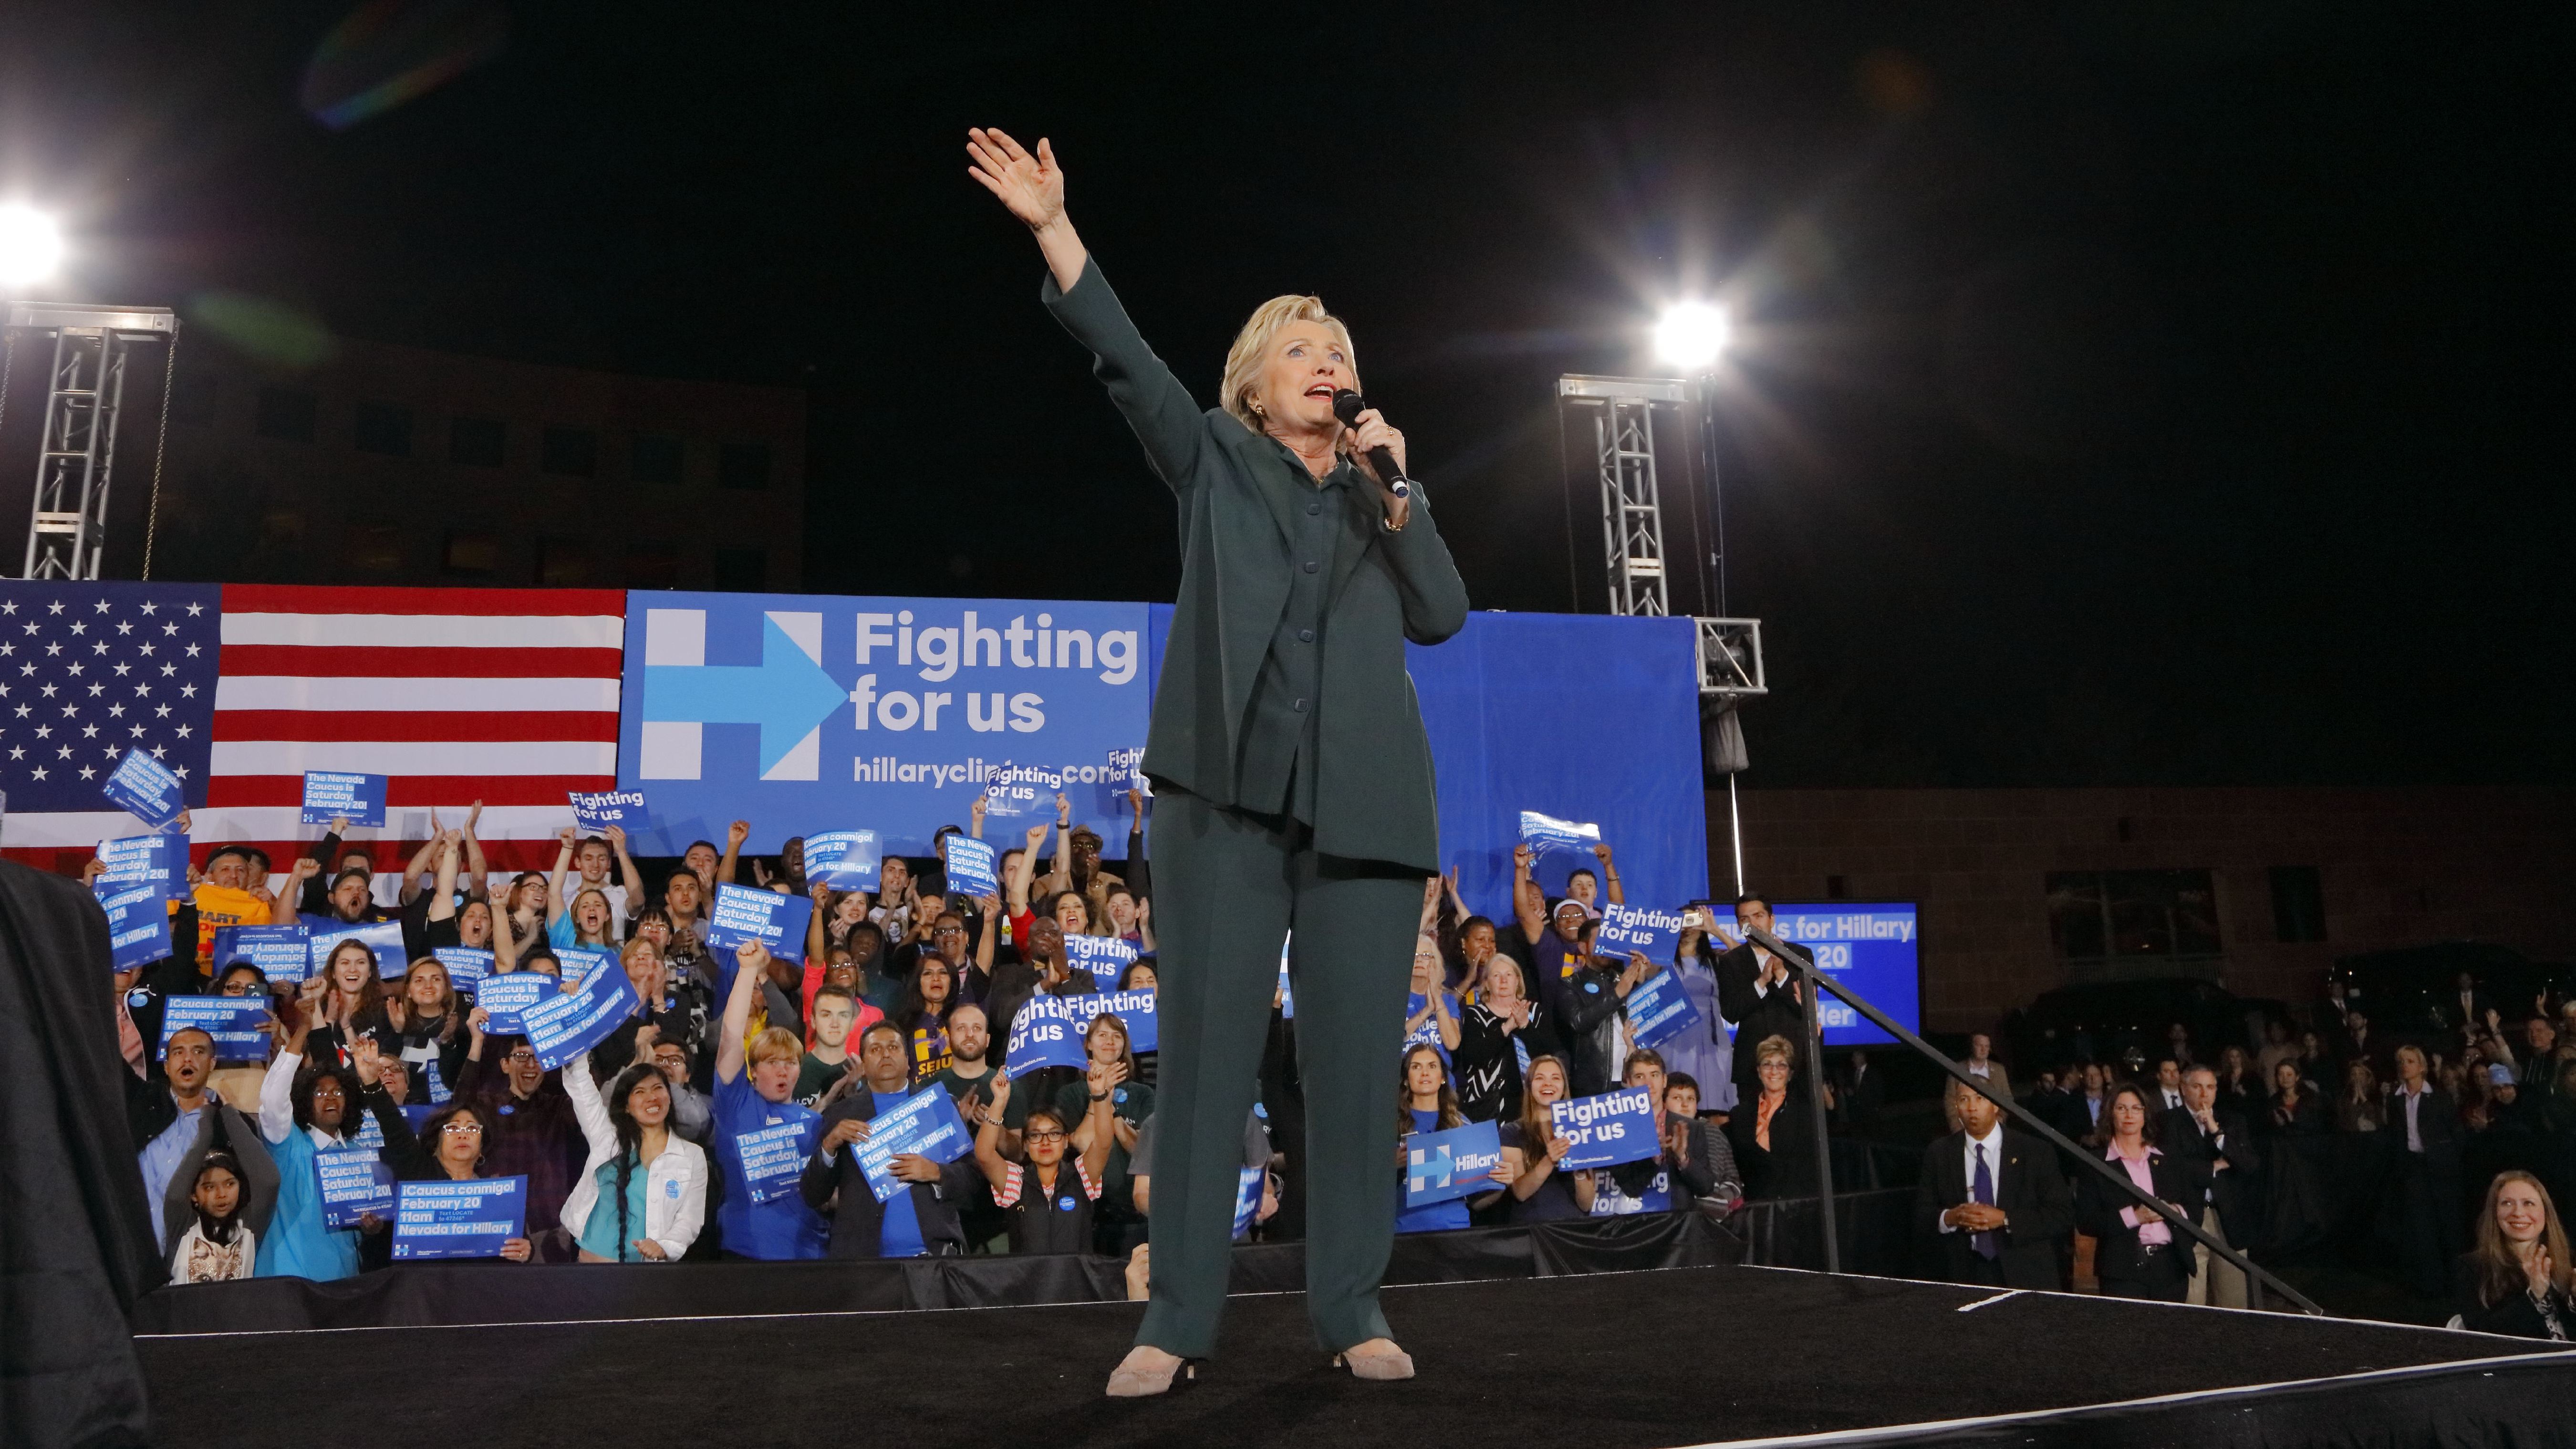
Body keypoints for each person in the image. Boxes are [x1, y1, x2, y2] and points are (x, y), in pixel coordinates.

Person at [973, 124, 1470, 1393]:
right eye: (1302, 347)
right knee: (1201, 1061)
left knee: (1353, 1073)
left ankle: (1351, 1307)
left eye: (1339, 349)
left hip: (1367, 817)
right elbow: (1127, 362)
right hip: (1222, 807)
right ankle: (1175, 1319)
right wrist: (1055, 229)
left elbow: (1442, 613)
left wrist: (1398, 490)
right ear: (1255, 385)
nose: (1328, 361)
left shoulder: (1379, 495)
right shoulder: (1212, 458)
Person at [803, 1020, 984, 1259]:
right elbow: (813, 1195)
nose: (886, 1054)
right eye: (876, 1049)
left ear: (908, 1060)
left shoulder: (939, 1105)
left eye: (894, 1047)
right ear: (863, 1065)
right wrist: (829, 1146)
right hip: (864, 1263)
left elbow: (974, 1180)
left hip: (934, 1256)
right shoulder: (839, 1115)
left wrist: (936, 1172)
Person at [254, 1016, 408, 1281]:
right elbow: (273, 1099)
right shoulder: (288, 1144)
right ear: (304, 1101)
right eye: (319, 1093)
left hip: (344, 1281)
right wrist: (303, 1028)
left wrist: (372, 1227)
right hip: (287, 1281)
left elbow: (367, 1226)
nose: (330, 1099)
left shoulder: (361, 1154)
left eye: (338, 1093)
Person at [709, 942, 827, 1260]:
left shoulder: (815, 1122)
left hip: (809, 1254)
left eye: (790, 1063)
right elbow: (731, 1038)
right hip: (746, 1252)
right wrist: (748, 970)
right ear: (753, 1069)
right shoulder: (736, 1102)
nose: (782, 1070)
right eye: (772, 1062)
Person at [126, 1024, 279, 1258]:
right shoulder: (141, 1104)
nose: (188, 1059)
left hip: (191, 1258)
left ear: (212, 1063)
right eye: (178, 1052)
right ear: (166, 1066)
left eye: (198, 1052)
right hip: (128, 1248)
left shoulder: (232, 1126)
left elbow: (254, 1189)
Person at [1913, 1075, 2073, 1289]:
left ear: (1996, 1104)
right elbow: (1921, 1216)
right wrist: (1951, 1217)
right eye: (1964, 1100)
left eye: (1980, 1098)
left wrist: (2005, 1219)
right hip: (1962, 1276)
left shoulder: (2034, 1151)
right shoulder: (1939, 1153)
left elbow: (2061, 1214)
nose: (1972, 1108)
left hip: (2025, 1275)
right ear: (1956, 1108)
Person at [561, 1049, 706, 1263]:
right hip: (589, 1271)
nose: (652, 1098)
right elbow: (580, 1082)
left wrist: (664, 1246)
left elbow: (690, 1220)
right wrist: (573, 1042)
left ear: (669, 1096)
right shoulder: (606, 1137)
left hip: (646, 1276)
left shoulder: (692, 1156)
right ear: (626, 1107)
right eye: (640, 1092)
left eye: (658, 1088)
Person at [975, 1065, 1118, 1258]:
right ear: (1026, 1145)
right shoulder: (1016, 1181)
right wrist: (999, 1101)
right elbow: (984, 1154)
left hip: (1076, 1276)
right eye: (1035, 1135)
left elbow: (1103, 1143)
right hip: (1028, 1277)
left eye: (1054, 1134)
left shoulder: (1081, 1175)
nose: (1045, 1142)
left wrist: (1099, 1096)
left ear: (1066, 1141)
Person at [2075, 1084, 2201, 1302]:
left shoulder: (2168, 1158)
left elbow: (2195, 1206)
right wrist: (2135, 1217)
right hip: (2123, 1271)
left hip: (2171, 1266)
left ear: (2145, 1115)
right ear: (2110, 1114)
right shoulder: (2096, 1163)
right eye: (2121, 1108)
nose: (2129, 1115)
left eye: (2136, 1108)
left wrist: (2174, 1212)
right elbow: (2087, 1222)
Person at [2159, 1065, 2258, 1308]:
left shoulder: (2233, 1120)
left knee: (2234, 1303)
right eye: (2197, 1087)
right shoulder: (2166, 1122)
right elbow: (2171, 1167)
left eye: (2211, 1087)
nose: (2205, 1093)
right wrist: (2213, 1166)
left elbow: (2249, 1164)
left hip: (2228, 1219)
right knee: (2192, 1301)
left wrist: (2216, 1132)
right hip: (2188, 1217)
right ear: (2183, 1089)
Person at [384, 1101, 534, 1262]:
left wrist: (525, 1252)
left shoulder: (499, 1195)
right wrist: (374, 1089)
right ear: (435, 1143)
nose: (463, 1135)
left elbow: (519, 1245)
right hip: (422, 1278)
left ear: (482, 1147)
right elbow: (394, 1127)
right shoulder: (419, 1174)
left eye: (472, 1128)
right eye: (453, 1128)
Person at [1391, 1043, 1509, 1234]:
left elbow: (1477, 1203)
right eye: (1416, 1067)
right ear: (1406, 1080)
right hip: (1405, 1232)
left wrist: (1499, 1184)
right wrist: (1391, 1165)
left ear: (1443, 1078)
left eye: (1432, 1066)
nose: (1425, 1073)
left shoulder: (1463, 1126)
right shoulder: (1391, 1126)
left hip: (1454, 1233)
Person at [1714, 896, 1814, 1111]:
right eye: (1744, 919)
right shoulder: (1731, 961)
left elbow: (1807, 1008)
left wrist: (1782, 974)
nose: (1752, 923)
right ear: (1739, 925)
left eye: (1758, 916)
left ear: (1772, 919)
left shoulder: (1800, 955)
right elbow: (1730, 1012)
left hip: (1796, 1062)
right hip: (1751, 1065)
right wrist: (1762, 982)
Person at [2452, 1171, 2574, 1340]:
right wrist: (2534, 1296)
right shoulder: (2473, 1268)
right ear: (2495, 1213)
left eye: (2529, 1203)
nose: (2518, 1213)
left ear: (2546, 1212)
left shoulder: (2571, 1262)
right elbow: (2480, 1337)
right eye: (2507, 1203)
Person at [2390, 1042, 2465, 1295]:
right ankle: (2429, 1282)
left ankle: (2455, 1280)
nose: (2405, 1066)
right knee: (2421, 1226)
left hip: (2441, 1167)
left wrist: (2449, 1160)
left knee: (2448, 1222)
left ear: (2422, 1067)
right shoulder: (2396, 1099)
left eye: (2410, 1061)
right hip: (2413, 1166)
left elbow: (2456, 1133)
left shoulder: (2439, 1097)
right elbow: (2397, 1136)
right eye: (2402, 1062)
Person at [1453, 952, 1556, 1123]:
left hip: (1529, 1102)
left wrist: (1525, 1025)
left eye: (1509, 975)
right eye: (1496, 976)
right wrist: (1507, 1027)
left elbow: (1546, 1057)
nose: (1503, 981)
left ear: (1518, 981)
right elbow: (1473, 1058)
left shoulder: (1535, 1012)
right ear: (1486, 984)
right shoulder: (1476, 1015)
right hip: (1486, 1105)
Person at [1497, 1054, 1594, 1221]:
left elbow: (1587, 1205)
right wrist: (1549, 1160)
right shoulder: (1511, 1132)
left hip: (1574, 1230)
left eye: (1555, 1078)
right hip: (1533, 1230)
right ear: (1529, 1086)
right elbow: (1520, 1192)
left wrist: (1580, 1173)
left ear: (1564, 1088)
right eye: (1540, 1078)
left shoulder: (1579, 1130)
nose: (1548, 1084)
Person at [1724, 1035, 1821, 1200]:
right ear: (1759, 1071)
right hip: (1755, 1204)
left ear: (1790, 1074)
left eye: (1781, 1065)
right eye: (1767, 1064)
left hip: (1796, 1203)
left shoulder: (1805, 1112)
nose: (1774, 1071)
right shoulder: (1740, 1115)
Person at [167, 1151, 259, 1284]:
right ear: (193, 1194)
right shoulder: (183, 1227)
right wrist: (203, 1137)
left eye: (230, 1184)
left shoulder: (250, 1223)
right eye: (210, 1187)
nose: (221, 1194)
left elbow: (271, 1182)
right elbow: (174, 1197)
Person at [1659, 1074, 1744, 1211]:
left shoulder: (1711, 1132)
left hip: (1708, 1211)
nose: (1685, 1104)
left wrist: (1719, 1201)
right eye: (1677, 1098)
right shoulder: (1658, 1133)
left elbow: (1724, 1182)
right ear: (1663, 1103)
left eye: (1691, 1099)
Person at [794, 984, 876, 1107]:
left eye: (843, 1015)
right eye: (827, 1015)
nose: (835, 1024)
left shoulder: (864, 1074)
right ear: (813, 1021)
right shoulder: (794, 1070)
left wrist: (852, 1093)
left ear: (853, 1023)